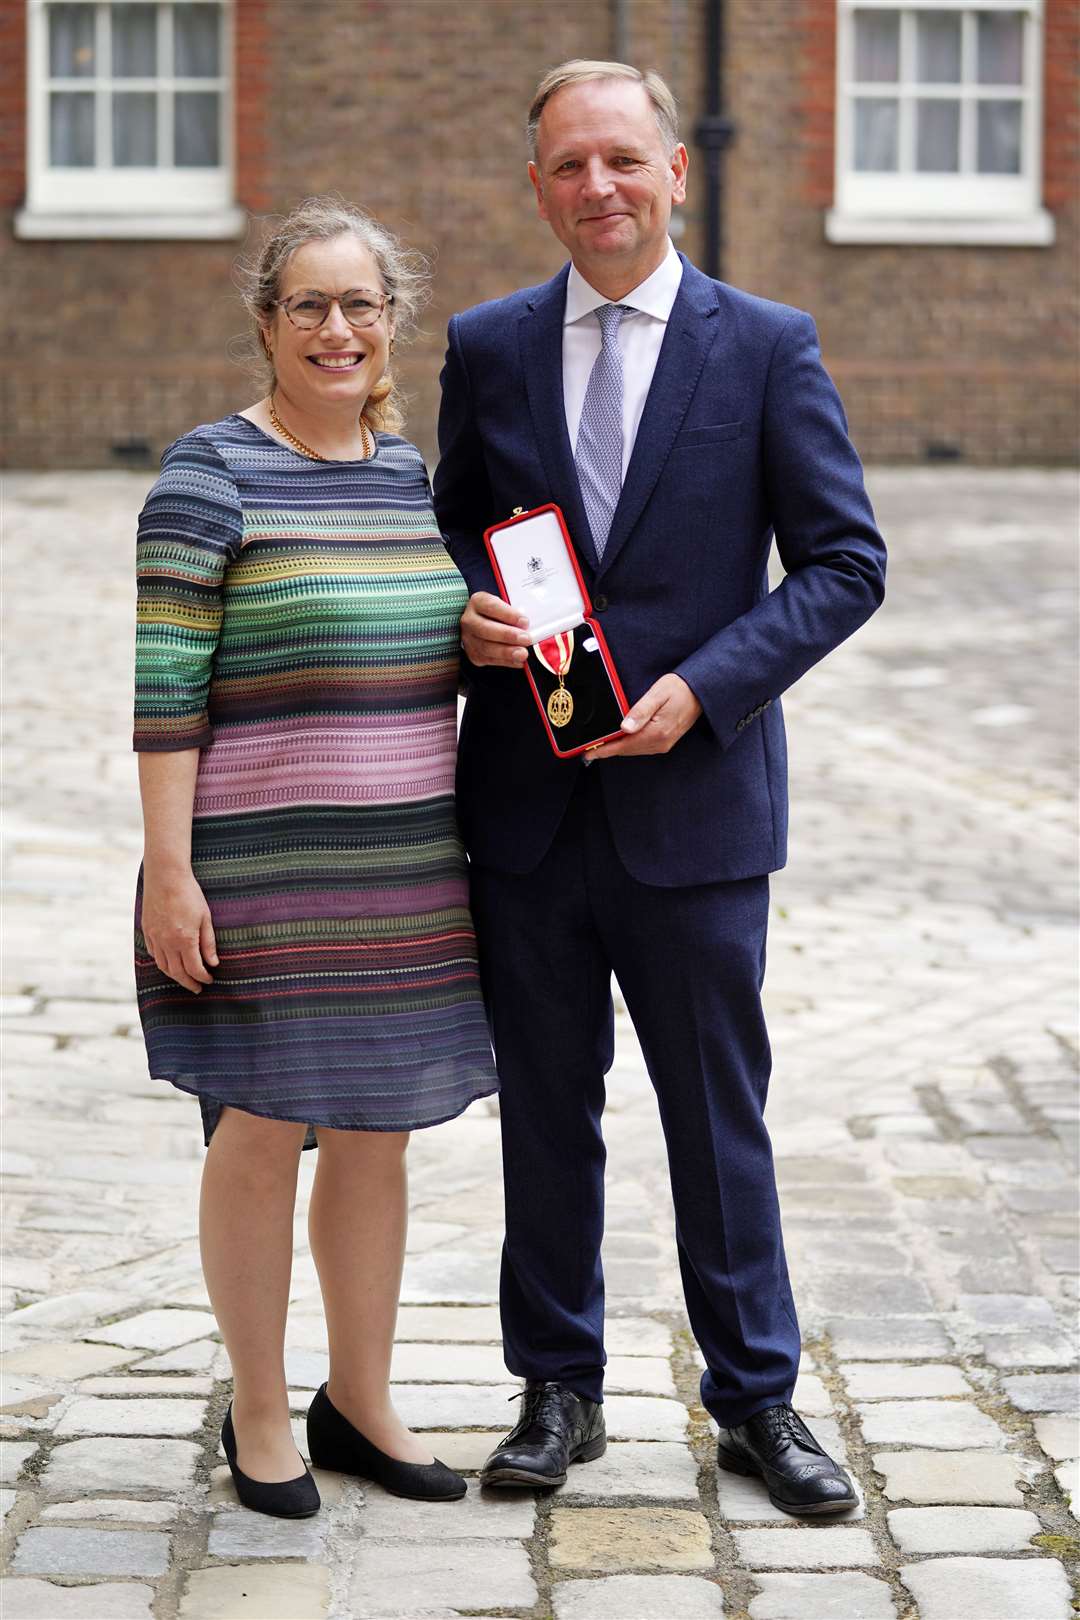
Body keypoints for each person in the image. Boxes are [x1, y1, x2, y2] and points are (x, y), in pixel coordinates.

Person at [434, 61, 886, 1514]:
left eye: (622, 160)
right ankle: (557, 1389)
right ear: (539, 188)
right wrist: (466, 618)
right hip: (527, 809)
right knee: (547, 1109)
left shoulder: (765, 344)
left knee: (716, 1113)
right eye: (569, 166)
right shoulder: (489, 350)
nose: (599, 189)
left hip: (694, 811)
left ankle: (757, 1399)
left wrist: (707, 689)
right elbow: (450, 540)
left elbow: (843, 565)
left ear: (674, 170)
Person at [133, 196, 498, 1517]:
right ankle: (265, 1410)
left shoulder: (412, 478)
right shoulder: (208, 474)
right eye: (310, 306)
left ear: (393, 321)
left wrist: (478, 639)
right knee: (259, 1124)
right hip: (257, 866)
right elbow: (165, 688)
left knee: (378, 1137)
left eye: (362, 306)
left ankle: (363, 1398)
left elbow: (417, 636)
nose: (337, 330)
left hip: (405, 865)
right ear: (268, 323)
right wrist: (169, 872)